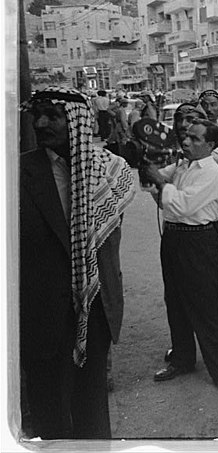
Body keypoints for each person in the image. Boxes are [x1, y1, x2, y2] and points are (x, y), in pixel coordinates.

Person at [20, 87, 136, 439]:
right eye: (36, 114)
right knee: (50, 414)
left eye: (52, 115)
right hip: (42, 315)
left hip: (95, 309)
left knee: (92, 410)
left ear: (78, 122)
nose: (41, 123)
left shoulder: (112, 172)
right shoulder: (16, 173)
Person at [144, 119, 218, 397]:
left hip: (198, 240)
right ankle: (182, 359)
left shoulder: (212, 172)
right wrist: (151, 169)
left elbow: (182, 204)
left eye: (195, 139)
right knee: (175, 301)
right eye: (186, 136)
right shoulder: (183, 165)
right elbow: (152, 181)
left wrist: (161, 183)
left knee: (206, 307)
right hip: (173, 238)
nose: (186, 142)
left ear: (210, 145)